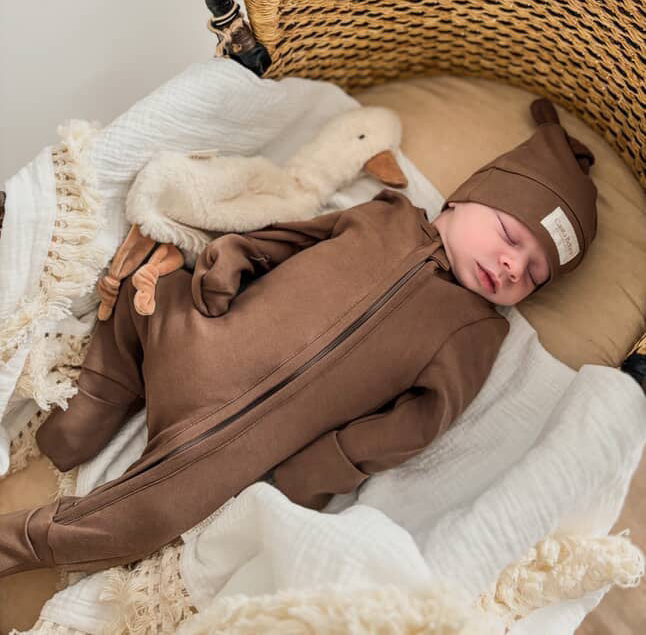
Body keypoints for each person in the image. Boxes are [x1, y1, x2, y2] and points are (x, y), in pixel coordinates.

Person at [0, 97, 597, 579]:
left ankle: (21, 543)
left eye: (536, 273)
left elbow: (418, 422)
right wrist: (227, 263)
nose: (514, 266)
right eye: (509, 235)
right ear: (465, 200)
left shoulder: (475, 330)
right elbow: (287, 238)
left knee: (148, 515)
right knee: (141, 282)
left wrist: (319, 469)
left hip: (235, 433)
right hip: (205, 325)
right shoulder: (382, 215)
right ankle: (99, 399)